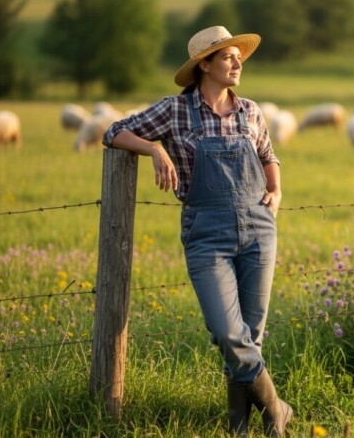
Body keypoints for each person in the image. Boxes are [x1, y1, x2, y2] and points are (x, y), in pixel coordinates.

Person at [103, 26, 292, 437]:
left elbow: (266, 154)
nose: (237, 63)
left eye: (238, 57)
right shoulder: (174, 111)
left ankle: (238, 427)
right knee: (228, 333)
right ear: (204, 65)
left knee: (249, 337)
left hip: (258, 227)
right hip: (206, 232)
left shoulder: (251, 111)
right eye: (227, 57)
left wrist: (275, 188)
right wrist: (154, 147)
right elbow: (113, 131)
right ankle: (276, 407)